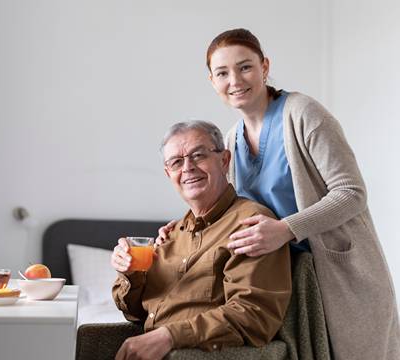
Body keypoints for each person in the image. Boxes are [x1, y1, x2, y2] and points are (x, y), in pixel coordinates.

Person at [156, 29, 400, 360]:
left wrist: (285, 229)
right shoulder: (230, 142)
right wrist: (179, 230)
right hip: (285, 282)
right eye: (223, 73)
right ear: (212, 81)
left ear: (264, 67)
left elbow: (352, 193)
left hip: (339, 278)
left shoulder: (303, 114)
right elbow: (224, 210)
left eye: (245, 67)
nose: (236, 80)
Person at [111, 121, 292, 360]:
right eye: (176, 162)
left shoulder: (252, 223)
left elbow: (253, 315)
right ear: (169, 174)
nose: (187, 168)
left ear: (224, 161)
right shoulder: (172, 233)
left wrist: (169, 336)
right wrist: (130, 272)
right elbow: (136, 313)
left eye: (198, 155)